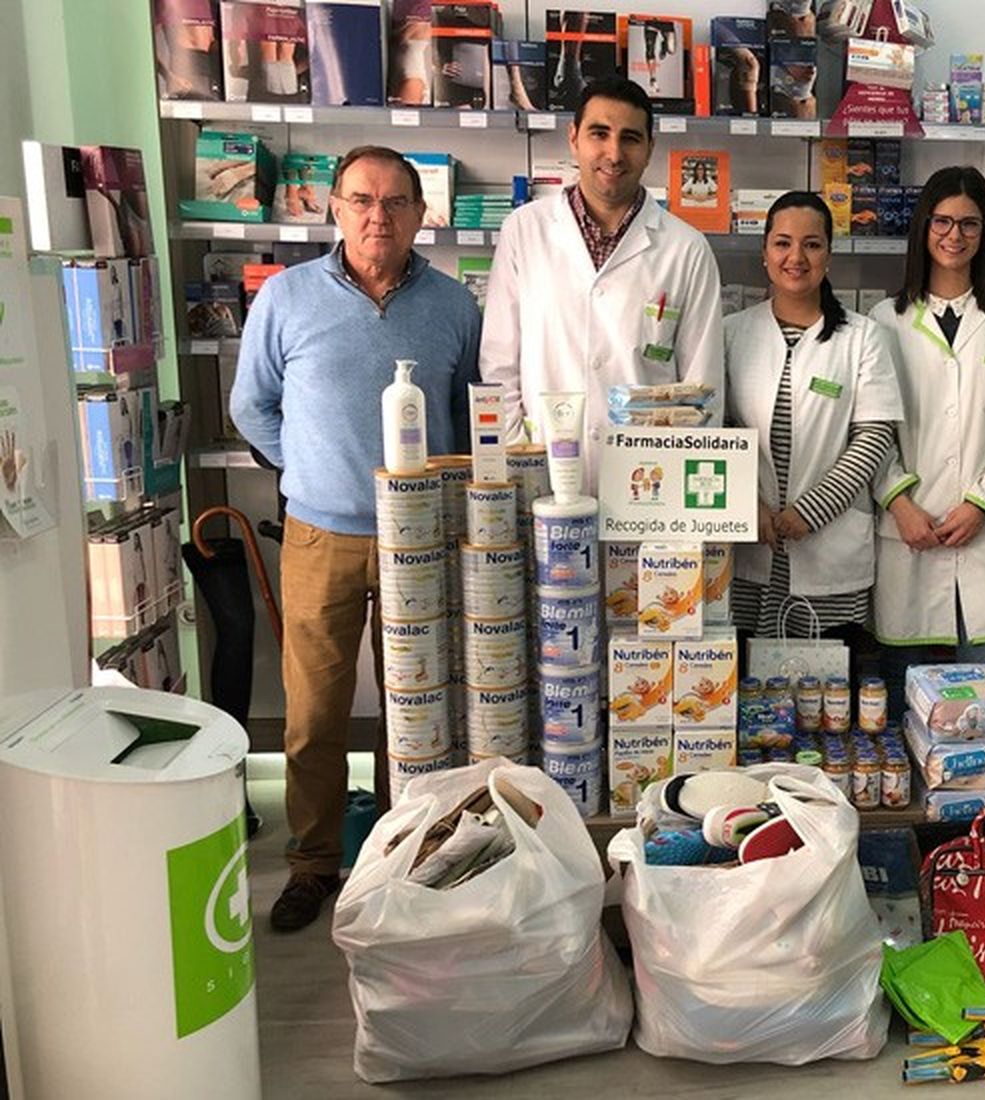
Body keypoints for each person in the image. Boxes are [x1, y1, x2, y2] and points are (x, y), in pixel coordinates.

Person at [231, 145, 481, 933]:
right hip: (322, 535)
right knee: (315, 712)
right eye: (362, 200)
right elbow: (251, 407)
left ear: (421, 213)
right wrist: (308, 468)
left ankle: (413, 852)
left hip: (424, 539)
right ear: (333, 207)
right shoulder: (287, 298)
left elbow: (471, 416)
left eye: (397, 202)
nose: (380, 216)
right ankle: (312, 864)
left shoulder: (452, 305)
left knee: (422, 707)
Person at [479, 76, 723, 485]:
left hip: (648, 484)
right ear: (573, 138)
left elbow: (702, 389)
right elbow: (500, 365)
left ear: (649, 150)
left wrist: (681, 499)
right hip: (544, 477)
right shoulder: (524, 230)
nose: (614, 153)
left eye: (630, 138)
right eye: (599, 133)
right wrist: (520, 463)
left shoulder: (687, 248)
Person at [870, 166, 985, 717]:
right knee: (906, 701)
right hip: (909, 533)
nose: (954, 235)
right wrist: (899, 501)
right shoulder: (883, 320)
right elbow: (870, 428)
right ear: (923, 227)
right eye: (942, 221)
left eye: (970, 224)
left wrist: (980, 504)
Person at [724, 191, 902, 667]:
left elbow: (873, 438)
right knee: (753, 694)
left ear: (829, 253)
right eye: (782, 243)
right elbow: (719, 429)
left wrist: (810, 511)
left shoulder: (862, 336)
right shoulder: (731, 332)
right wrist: (750, 504)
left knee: (826, 701)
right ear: (764, 253)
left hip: (830, 551)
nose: (796, 258)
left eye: (812, 244)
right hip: (751, 548)